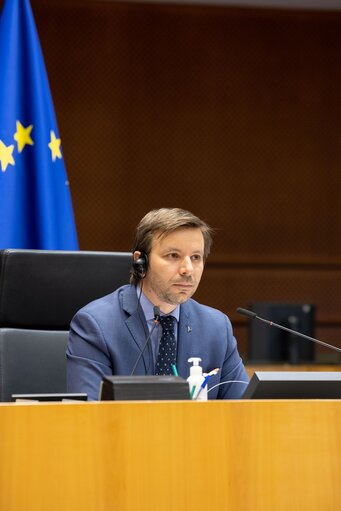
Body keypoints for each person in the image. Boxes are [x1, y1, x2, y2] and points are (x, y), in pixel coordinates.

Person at [66, 208, 249, 400]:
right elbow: (88, 415)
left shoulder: (217, 327)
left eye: (196, 257)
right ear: (140, 262)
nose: (188, 269)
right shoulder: (96, 325)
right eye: (173, 256)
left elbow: (246, 411)